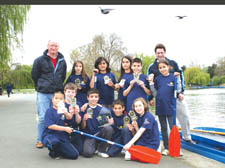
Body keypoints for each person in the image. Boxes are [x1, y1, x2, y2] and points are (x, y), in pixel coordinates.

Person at [147, 43, 195, 144]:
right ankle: (170, 142)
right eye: (158, 53)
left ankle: (187, 137)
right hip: (162, 99)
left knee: (184, 116)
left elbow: (180, 76)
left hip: (176, 96)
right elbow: (150, 82)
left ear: (165, 52)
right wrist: (150, 97)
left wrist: (181, 92)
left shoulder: (173, 63)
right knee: (167, 121)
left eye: (162, 52)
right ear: (155, 54)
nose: (160, 54)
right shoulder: (151, 67)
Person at [31, 40, 67, 148]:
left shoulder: (62, 61)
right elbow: (34, 75)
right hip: (44, 93)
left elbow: (63, 76)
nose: (53, 48)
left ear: (58, 47)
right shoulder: (39, 60)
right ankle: (40, 139)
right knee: (42, 117)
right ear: (48, 46)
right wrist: (40, 86)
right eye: (52, 45)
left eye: (56, 46)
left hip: (56, 93)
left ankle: (51, 138)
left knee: (56, 116)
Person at [148, 59, 182, 156]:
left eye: (164, 67)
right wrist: (151, 83)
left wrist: (178, 78)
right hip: (160, 107)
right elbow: (155, 93)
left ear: (168, 67)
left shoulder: (173, 77)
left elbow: (178, 89)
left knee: (172, 127)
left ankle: (176, 148)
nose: (162, 69)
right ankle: (167, 148)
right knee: (163, 128)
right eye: (160, 68)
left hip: (171, 107)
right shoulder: (158, 79)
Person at [42, 91, 79, 160]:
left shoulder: (64, 110)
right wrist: (65, 129)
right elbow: (50, 126)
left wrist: (66, 112)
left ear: (64, 101)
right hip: (50, 135)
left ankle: (60, 150)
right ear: (52, 100)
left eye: (61, 99)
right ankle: (53, 152)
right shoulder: (49, 111)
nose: (58, 100)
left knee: (74, 155)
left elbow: (70, 119)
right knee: (54, 142)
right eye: (56, 98)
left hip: (61, 136)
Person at [81, 88, 114, 158]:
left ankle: (101, 150)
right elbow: (83, 127)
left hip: (99, 133)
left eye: (96, 97)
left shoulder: (102, 110)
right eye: (91, 96)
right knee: (87, 153)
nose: (94, 99)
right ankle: (95, 145)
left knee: (108, 128)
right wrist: (84, 120)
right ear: (88, 97)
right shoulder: (84, 109)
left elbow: (105, 125)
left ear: (98, 98)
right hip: (89, 135)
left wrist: (109, 122)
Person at [63, 82, 83, 154]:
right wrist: (69, 113)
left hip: (74, 130)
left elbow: (78, 121)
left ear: (75, 94)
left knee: (80, 151)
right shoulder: (61, 104)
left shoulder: (78, 104)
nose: (70, 94)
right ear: (64, 92)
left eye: (72, 92)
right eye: (68, 92)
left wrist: (77, 113)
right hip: (64, 129)